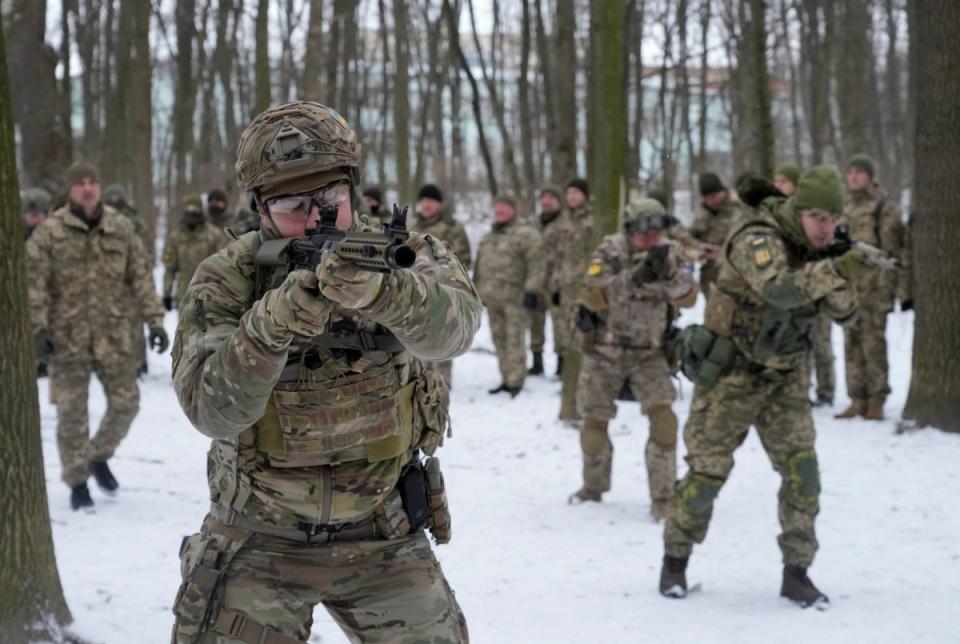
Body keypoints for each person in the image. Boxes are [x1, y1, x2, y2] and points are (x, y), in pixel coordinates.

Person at [170, 101, 479, 644]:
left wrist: (388, 294)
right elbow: (211, 411)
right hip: (261, 537)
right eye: (293, 205)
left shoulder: (401, 253)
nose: (317, 219)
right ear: (260, 210)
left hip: (383, 532)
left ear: (352, 191)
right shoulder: (227, 278)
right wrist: (269, 329)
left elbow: (456, 330)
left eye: (330, 200)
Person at [660, 167, 874, 609]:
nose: (825, 226)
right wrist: (831, 269)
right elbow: (778, 290)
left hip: (785, 380)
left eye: (833, 218)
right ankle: (675, 561)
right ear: (799, 210)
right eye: (818, 217)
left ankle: (797, 573)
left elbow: (849, 316)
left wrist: (838, 268)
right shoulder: (757, 237)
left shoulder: (820, 248)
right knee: (705, 478)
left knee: (803, 474)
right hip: (732, 377)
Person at [26, 161, 168, 510]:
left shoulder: (120, 228)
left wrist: (155, 321)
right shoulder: (50, 232)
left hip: (114, 335)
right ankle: (77, 482)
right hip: (66, 337)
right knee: (72, 414)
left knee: (126, 404)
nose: (87, 188)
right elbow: (35, 284)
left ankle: (97, 455)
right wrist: (38, 328)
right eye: (80, 183)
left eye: (92, 182)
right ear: (71, 189)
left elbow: (140, 277)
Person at [570, 198, 697, 518]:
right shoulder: (610, 251)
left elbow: (689, 296)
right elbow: (591, 294)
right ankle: (593, 488)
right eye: (644, 231)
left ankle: (663, 498)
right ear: (630, 230)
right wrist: (635, 276)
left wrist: (667, 273)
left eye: (657, 230)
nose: (651, 237)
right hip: (605, 353)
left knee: (665, 423)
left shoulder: (669, 252)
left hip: (650, 354)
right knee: (594, 428)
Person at [834, 154, 909, 421]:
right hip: (848, 289)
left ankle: (876, 399)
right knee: (850, 343)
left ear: (869, 176)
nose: (853, 176)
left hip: (875, 289)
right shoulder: (842, 209)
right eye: (850, 172)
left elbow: (894, 253)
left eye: (859, 172)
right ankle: (857, 397)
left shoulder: (883, 207)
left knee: (873, 344)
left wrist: (899, 290)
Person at [473, 194, 545, 397]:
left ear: (513, 209)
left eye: (504, 206)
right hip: (492, 298)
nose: (500, 211)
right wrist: (477, 293)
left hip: (517, 298)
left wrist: (532, 290)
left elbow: (537, 264)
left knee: (515, 340)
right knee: (499, 339)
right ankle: (505, 377)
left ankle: (516, 380)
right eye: (497, 207)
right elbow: (479, 268)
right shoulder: (489, 237)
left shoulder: (526, 234)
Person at [409, 183, 472, 386]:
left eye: (431, 200)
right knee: (416, 340)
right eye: (423, 200)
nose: (426, 204)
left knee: (442, 339)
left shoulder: (452, 228)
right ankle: (420, 382)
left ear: (439, 204)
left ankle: (442, 385)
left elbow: (463, 260)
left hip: (443, 294)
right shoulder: (411, 226)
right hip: (414, 293)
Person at [555, 178, 594, 421]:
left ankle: (585, 395)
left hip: (586, 289)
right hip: (566, 290)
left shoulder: (593, 221)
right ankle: (571, 396)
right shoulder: (564, 221)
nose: (571, 196)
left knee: (584, 341)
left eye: (576, 192)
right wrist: (555, 285)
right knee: (568, 340)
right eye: (568, 192)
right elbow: (557, 255)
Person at [161, 195, 229, 314]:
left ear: (201, 210)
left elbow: (225, 266)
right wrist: (167, 292)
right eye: (189, 208)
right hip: (184, 295)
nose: (192, 212)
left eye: (195, 208)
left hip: (210, 295)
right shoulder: (175, 236)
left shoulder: (214, 234)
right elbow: (170, 268)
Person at [529, 185, 568, 376]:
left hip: (557, 283)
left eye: (551, 197)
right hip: (536, 282)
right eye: (543, 197)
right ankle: (537, 363)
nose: (546, 201)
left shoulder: (566, 224)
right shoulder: (533, 224)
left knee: (560, 325)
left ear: (558, 201)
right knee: (535, 323)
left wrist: (562, 282)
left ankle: (562, 364)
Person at [691, 172, 742, 299]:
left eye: (713, 196)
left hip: (736, 277)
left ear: (722, 191)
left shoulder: (738, 210)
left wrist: (723, 252)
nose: (710, 201)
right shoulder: (703, 215)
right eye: (706, 198)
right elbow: (690, 239)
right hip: (710, 280)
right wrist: (701, 248)